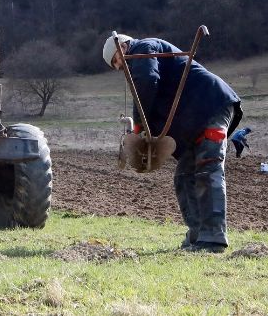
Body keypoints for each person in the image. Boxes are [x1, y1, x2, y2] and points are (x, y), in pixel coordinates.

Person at [103, 34, 242, 254]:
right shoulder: (142, 59)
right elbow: (151, 93)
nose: (119, 67)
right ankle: (197, 235)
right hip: (196, 117)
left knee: (208, 167)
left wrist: (139, 127)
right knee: (184, 176)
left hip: (210, 105)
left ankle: (214, 238)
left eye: (116, 61)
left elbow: (147, 81)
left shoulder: (144, 47)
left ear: (123, 46)